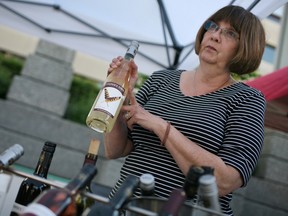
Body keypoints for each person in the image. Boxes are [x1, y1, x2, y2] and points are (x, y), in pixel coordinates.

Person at [104, 5, 266, 215]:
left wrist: (161, 127)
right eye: (213, 27)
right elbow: (115, 150)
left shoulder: (248, 100)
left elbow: (225, 182)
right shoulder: (161, 79)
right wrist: (118, 94)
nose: (215, 36)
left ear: (245, 47)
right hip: (123, 208)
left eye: (230, 33)